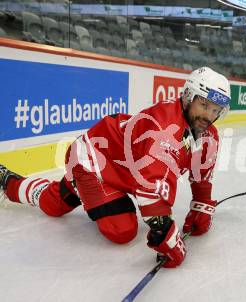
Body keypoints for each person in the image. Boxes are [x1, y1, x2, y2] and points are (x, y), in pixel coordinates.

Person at [0, 66, 231, 268]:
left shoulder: (208, 134)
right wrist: (166, 235)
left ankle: (8, 181)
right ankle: (75, 181)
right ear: (189, 96)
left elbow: (201, 175)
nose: (208, 116)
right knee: (122, 230)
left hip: (120, 171)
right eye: (204, 105)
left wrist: (201, 205)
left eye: (215, 110)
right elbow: (150, 192)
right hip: (93, 162)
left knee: (54, 205)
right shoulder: (164, 127)